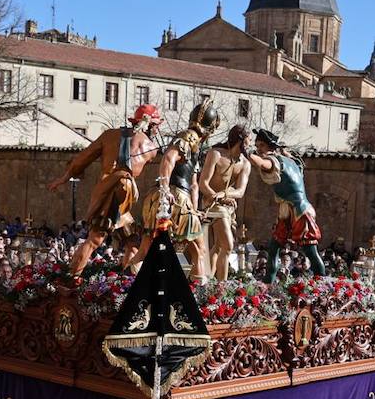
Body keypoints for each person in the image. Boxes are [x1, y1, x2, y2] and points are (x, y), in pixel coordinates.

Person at [48, 105, 165, 275]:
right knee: (95, 240)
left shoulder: (110, 135)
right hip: (120, 194)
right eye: (156, 126)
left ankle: (126, 282)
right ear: (151, 125)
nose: (157, 130)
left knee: (131, 240)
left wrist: (65, 177)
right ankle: (71, 280)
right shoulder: (151, 149)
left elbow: (82, 159)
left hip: (111, 191)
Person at [134, 102, 220, 279]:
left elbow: (195, 184)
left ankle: (122, 285)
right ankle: (200, 297)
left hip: (164, 197)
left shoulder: (194, 144)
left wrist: (195, 211)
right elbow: (168, 159)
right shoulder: (188, 137)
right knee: (199, 251)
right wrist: (166, 190)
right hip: (175, 197)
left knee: (144, 249)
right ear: (209, 129)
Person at [245, 128, 326, 281]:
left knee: (310, 251)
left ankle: (323, 283)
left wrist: (245, 151)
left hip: (300, 210)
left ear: (270, 146)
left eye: (261, 145)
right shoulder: (291, 161)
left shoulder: (275, 161)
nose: (258, 149)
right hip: (288, 210)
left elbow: (262, 163)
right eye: (257, 146)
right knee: (274, 247)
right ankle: (268, 283)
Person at [197, 124, 252, 281]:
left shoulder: (245, 164)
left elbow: (240, 191)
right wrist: (219, 196)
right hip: (211, 203)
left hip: (228, 206)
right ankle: (222, 286)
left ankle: (207, 280)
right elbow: (203, 183)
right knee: (228, 245)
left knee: (220, 246)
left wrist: (225, 194)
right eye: (248, 140)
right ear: (240, 140)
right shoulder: (216, 154)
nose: (250, 144)